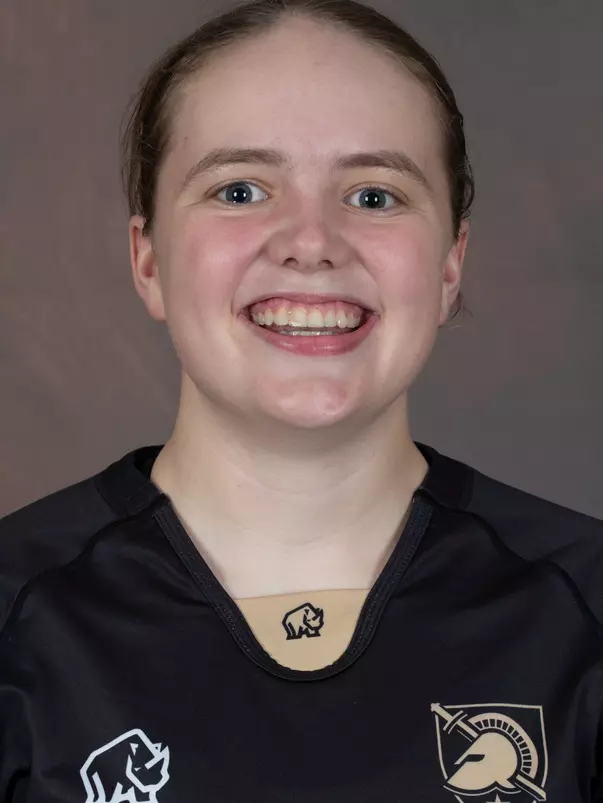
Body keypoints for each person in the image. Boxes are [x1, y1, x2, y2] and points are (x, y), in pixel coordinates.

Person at [1, 0, 602, 800]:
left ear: (450, 263)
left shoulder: (581, 608)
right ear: (148, 258)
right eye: (241, 190)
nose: (311, 241)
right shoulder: (18, 614)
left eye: (374, 195)